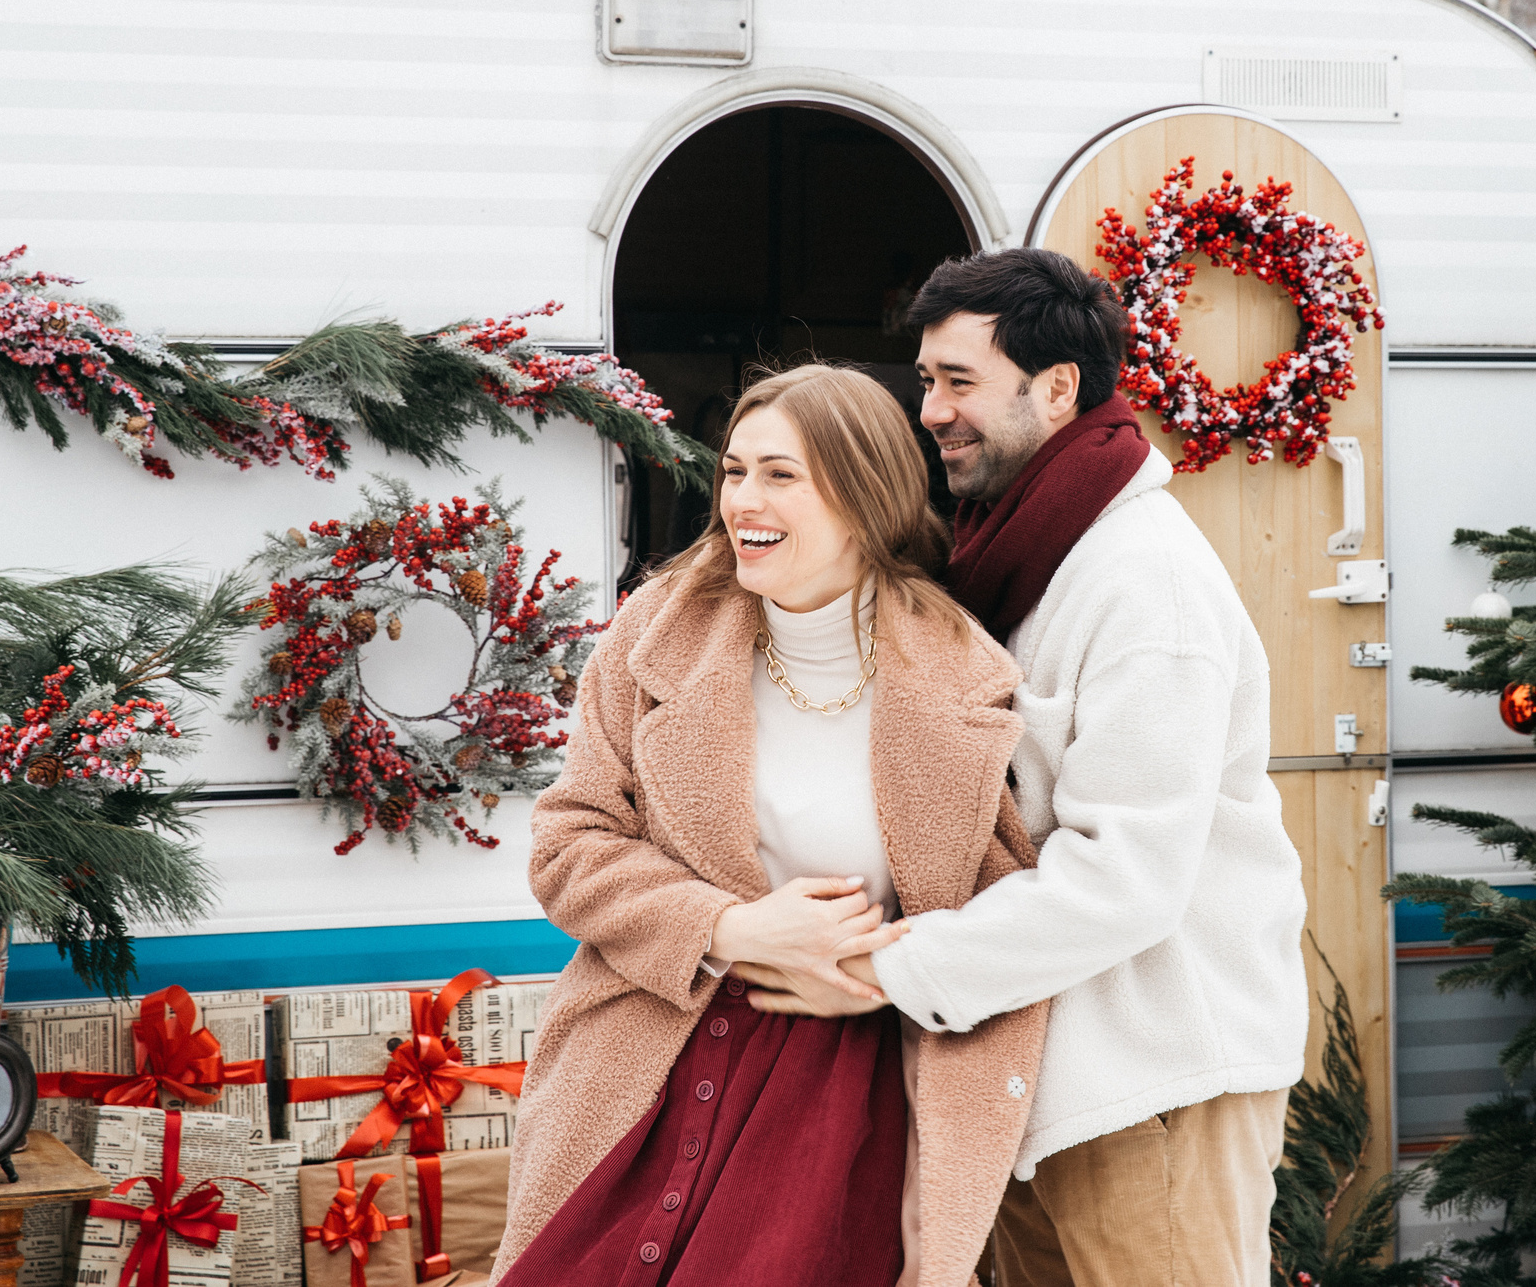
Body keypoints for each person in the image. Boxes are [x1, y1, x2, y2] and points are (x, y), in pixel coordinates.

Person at [754, 248, 1311, 1287]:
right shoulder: (1011, 557)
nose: (930, 411)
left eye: (959, 381)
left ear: (1056, 389)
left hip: (1154, 1085)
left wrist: (884, 972)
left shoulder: (1143, 585)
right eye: (925, 380)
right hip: (1030, 1076)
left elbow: (1125, 878)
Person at [495, 363, 1050, 1287]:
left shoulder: (968, 677)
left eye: (781, 474)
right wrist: (728, 928)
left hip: (842, 1105)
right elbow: (567, 842)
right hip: (648, 1058)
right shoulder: (652, 633)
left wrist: (886, 974)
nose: (744, 499)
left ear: (865, 493)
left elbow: (1008, 915)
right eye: (735, 470)